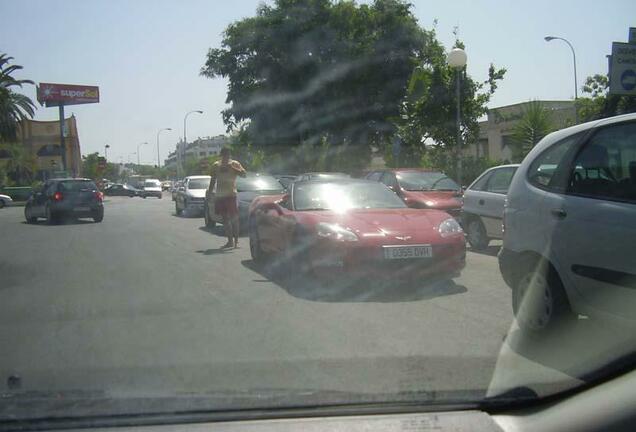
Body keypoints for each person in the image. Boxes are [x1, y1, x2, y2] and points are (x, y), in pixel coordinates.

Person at [209, 147, 247, 248]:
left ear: (230, 155)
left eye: (228, 154)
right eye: (224, 155)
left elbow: (244, 174)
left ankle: (236, 241)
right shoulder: (216, 165)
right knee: (225, 219)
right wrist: (209, 192)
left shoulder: (235, 163)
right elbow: (213, 180)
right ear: (221, 155)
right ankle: (230, 241)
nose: (226, 156)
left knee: (234, 218)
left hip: (231, 195)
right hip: (220, 195)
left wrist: (233, 168)